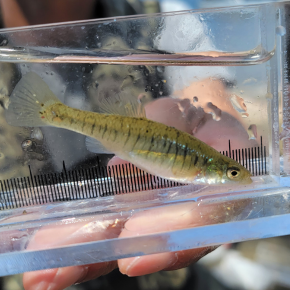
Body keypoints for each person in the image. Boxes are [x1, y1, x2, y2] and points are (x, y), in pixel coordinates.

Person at [0, 1, 257, 290]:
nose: (235, 177)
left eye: (233, 173)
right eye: (232, 174)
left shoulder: (161, 15)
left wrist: (215, 117)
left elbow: (210, 96)